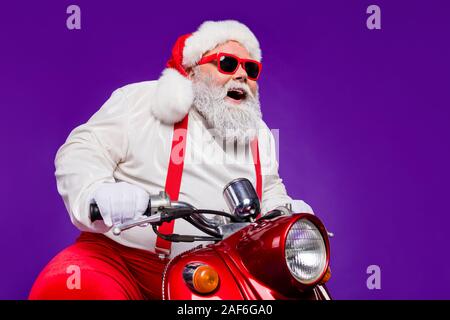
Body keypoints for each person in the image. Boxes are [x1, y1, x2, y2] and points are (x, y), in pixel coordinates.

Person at [29, 20, 314, 300]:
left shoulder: (258, 133)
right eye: (227, 64)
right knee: (73, 286)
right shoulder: (141, 100)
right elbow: (83, 148)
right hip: (124, 262)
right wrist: (99, 191)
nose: (241, 75)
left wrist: (287, 211)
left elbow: (269, 190)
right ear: (191, 71)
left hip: (214, 273)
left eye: (251, 69)